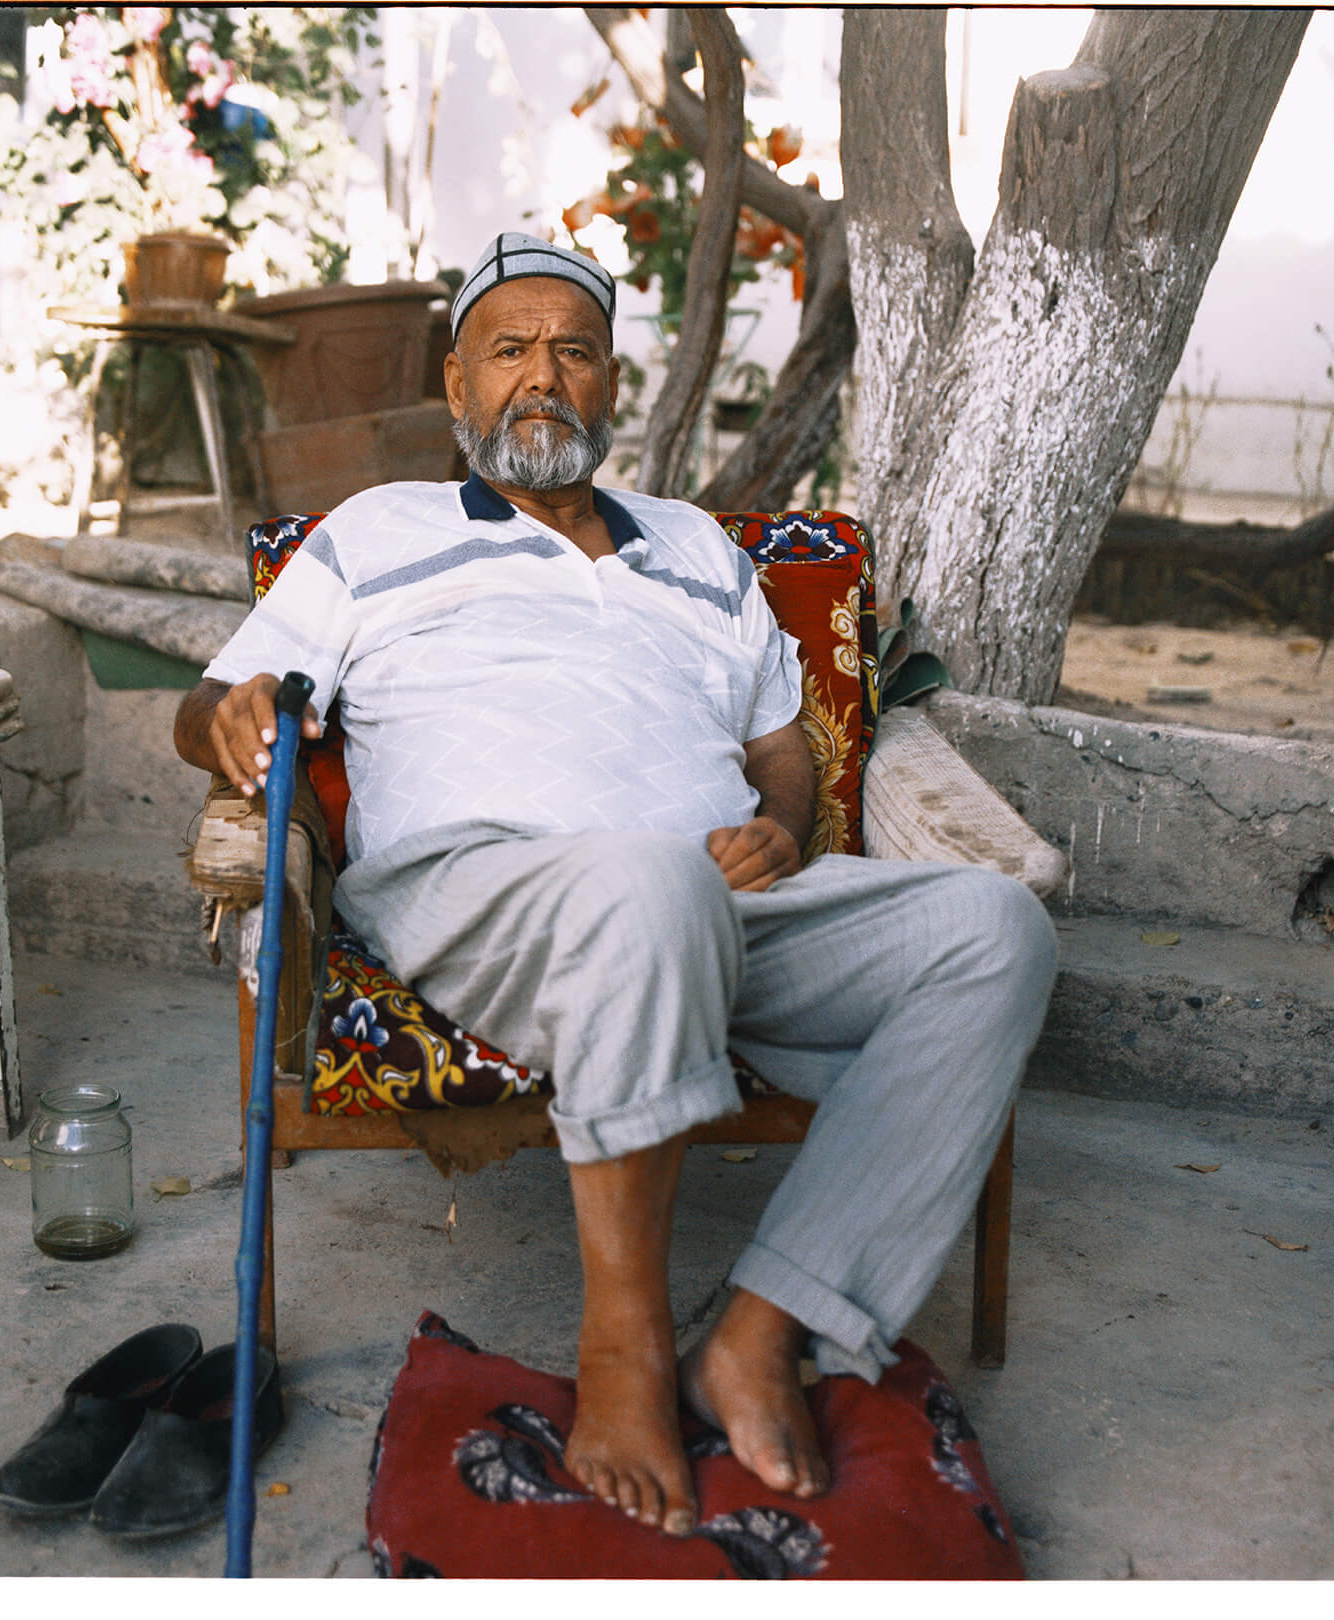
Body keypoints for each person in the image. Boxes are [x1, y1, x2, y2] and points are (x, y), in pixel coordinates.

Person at [174, 231, 1058, 1534]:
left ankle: (765, 1325)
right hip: (484, 894)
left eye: (574, 351)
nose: (544, 374)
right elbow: (209, 705)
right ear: (461, 385)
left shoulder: (699, 550)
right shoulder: (376, 534)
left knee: (995, 931)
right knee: (647, 884)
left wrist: (782, 821)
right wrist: (235, 716)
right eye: (511, 350)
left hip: (721, 899)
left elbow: (779, 745)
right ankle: (626, 1348)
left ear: (610, 385)